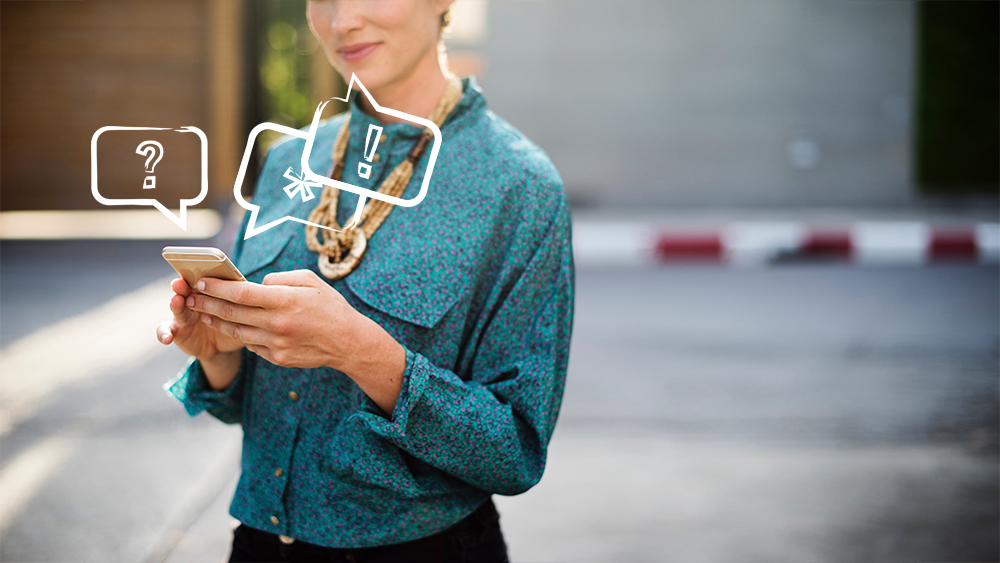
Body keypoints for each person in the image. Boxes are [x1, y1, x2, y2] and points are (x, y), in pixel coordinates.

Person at [157, 0, 574, 560]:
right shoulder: (286, 163)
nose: (342, 20)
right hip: (258, 544)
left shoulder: (519, 187)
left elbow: (514, 452)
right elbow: (242, 407)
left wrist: (361, 351)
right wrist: (218, 354)